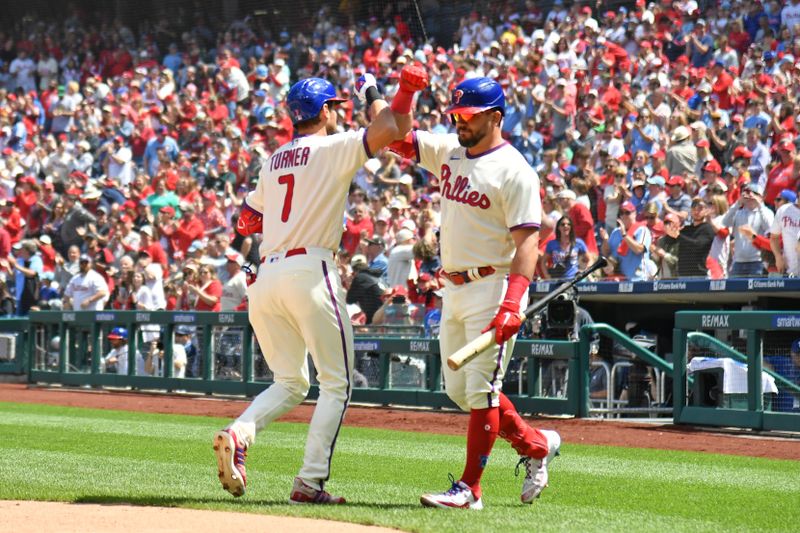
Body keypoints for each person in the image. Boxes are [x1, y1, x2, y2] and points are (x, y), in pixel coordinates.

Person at [213, 66, 428, 504]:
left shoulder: (272, 160)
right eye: (335, 107)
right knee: (338, 383)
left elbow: (246, 220)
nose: (338, 114)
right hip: (309, 270)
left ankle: (239, 433)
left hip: (267, 275)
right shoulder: (333, 146)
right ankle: (310, 482)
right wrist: (379, 89)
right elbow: (394, 125)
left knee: (291, 382)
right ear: (326, 110)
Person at [390, 77, 560, 509]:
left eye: (468, 116)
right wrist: (403, 94)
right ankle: (536, 444)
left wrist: (512, 301)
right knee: (458, 391)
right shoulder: (450, 149)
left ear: (495, 117)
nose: (459, 122)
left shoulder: (515, 170)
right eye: (456, 116)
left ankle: (470, 489)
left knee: (482, 389)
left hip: (494, 284)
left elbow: (527, 243)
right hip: (454, 286)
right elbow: (397, 134)